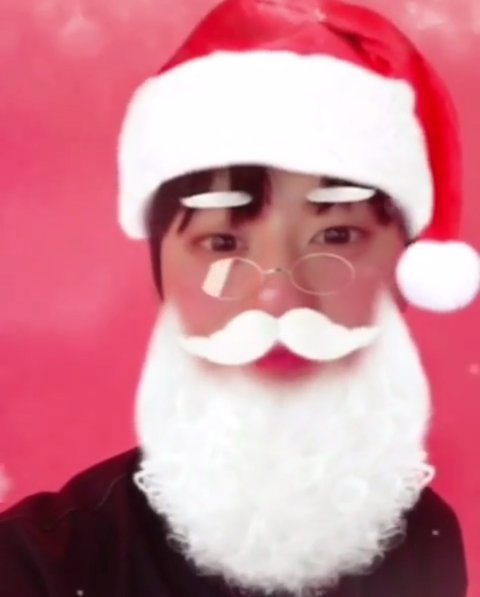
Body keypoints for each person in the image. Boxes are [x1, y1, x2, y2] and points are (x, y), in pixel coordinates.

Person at [1, 0, 479, 595]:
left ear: (404, 274)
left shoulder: (426, 539)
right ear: (164, 280)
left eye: (336, 236)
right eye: (223, 242)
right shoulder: (37, 568)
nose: (278, 296)